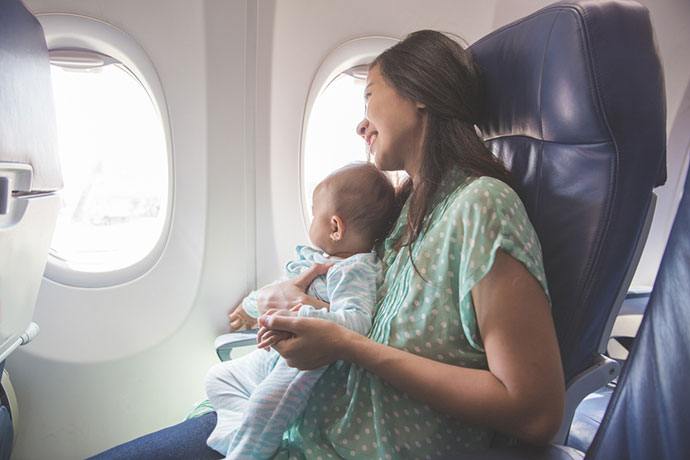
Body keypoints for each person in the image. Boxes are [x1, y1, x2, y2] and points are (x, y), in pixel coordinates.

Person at [91, 29, 564, 460]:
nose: (362, 126)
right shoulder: (404, 211)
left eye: (370, 98)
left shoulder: (482, 206)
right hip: (302, 432)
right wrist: (305, 304)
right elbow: (367, 308)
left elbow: (533, 412)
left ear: (418, 96)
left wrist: (345, 346)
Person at [205, 162, 399, 459]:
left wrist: (306, 314)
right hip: (275, 356)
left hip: (306, 364)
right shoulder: (321, 259)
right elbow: (286, 287)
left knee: (264, 408)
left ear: (335, 226)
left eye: (313, 212)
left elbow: (357, 321)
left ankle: (246, 450)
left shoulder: (355, 269)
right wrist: (251, 307)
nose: (310, 220)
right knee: (218, 378)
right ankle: (240, 434)